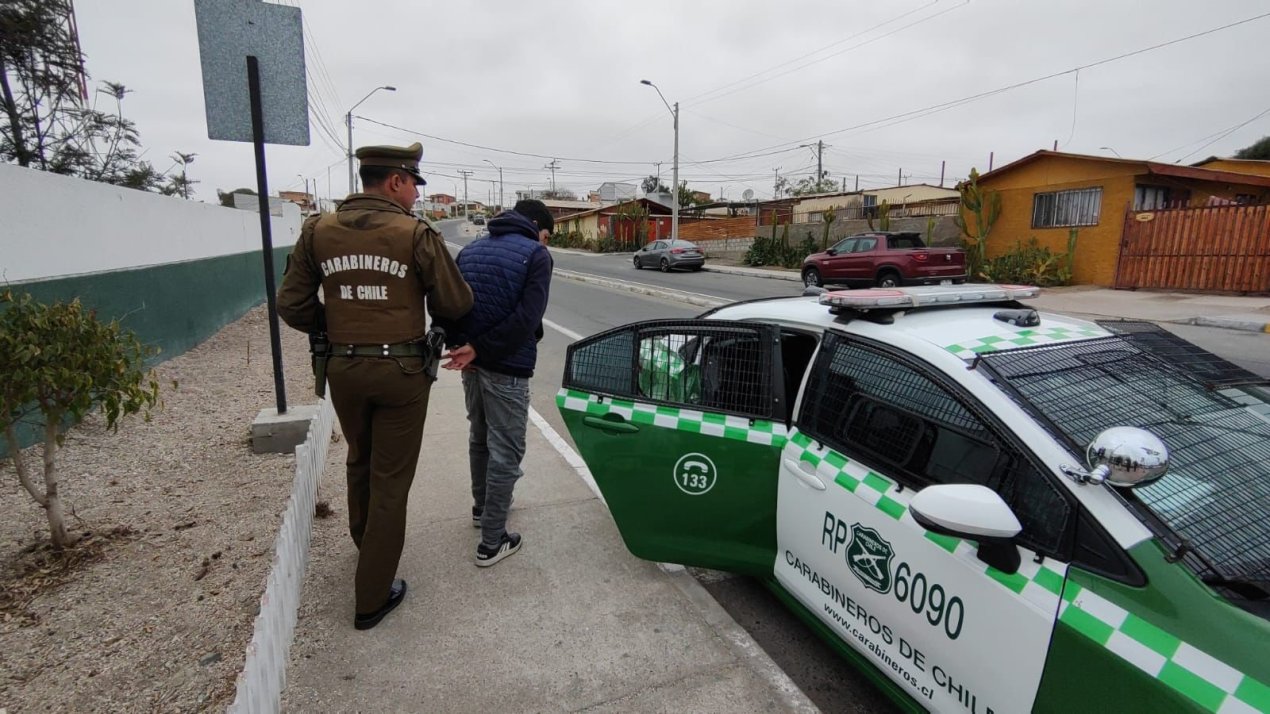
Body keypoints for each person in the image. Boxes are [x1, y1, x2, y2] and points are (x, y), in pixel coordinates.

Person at [277, 142, 473, 630]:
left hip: (343, 368)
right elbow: (453, 302)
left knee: (359, 459)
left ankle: (368, 546)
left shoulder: (317, 230)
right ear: (395, 182)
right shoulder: (415, 233)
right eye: (412, 184)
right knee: (391, 480)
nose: (413, 195)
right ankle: (371, 596)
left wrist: (339, 323)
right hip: (402, 373)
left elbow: (292, 303)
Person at [440, 199, 553, 567]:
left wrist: (463, 347)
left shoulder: (470, 250)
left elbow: (450, 305)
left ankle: (481, 508)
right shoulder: (536, 255)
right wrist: (477, 349)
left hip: (471, 365)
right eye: (547, 235)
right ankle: (492, 541)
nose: (546, 242)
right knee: (507, 451)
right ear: (536, 225)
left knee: (480, 437)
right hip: (506, 366)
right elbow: (527, 319)